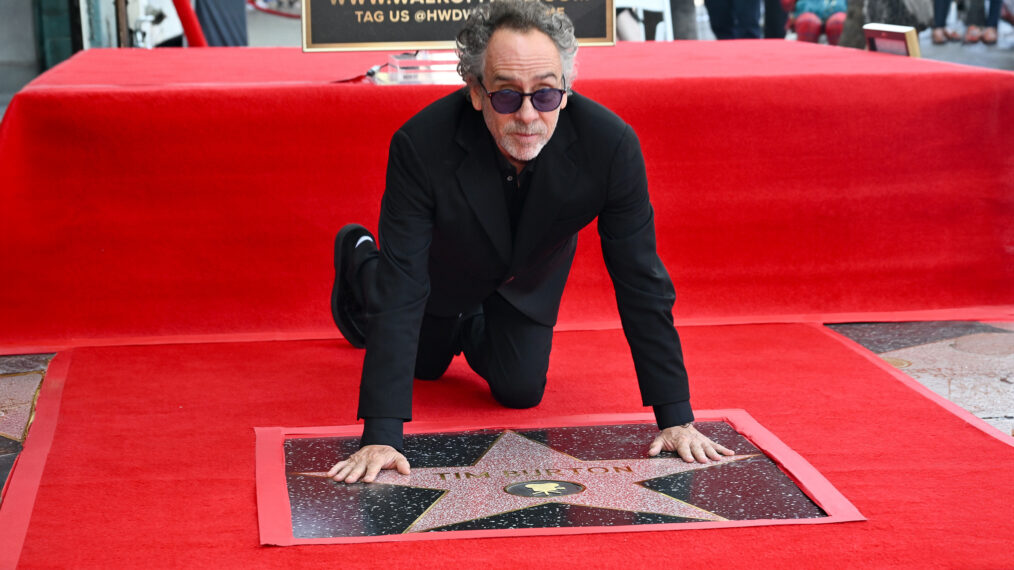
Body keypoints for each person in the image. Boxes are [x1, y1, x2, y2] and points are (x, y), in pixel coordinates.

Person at [327, 0, 733, 485]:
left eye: (544, 95)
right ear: (476, 92)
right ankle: (358, 258)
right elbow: (403, 284)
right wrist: (382, 434)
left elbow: (640, 278)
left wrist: (675, 416)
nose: (526, 115)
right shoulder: (421, 143)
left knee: (520, 391)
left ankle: (466, 327)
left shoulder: (611, 145)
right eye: (505, 97)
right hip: (441, 272)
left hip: (526, 277)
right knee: (424, 366)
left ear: (565, 91)